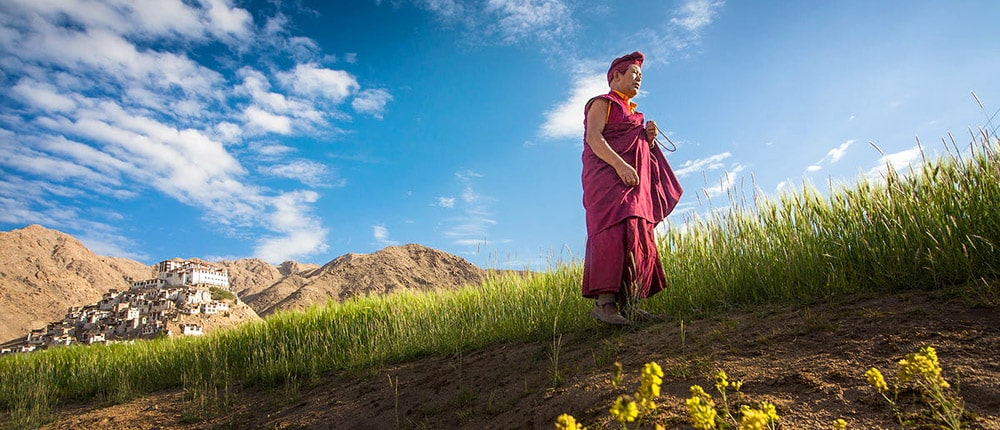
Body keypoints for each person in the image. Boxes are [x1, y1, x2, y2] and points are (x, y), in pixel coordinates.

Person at [581, 51, 683, 325]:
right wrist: (620, 167)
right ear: (615, 76)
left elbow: (636, 151)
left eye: (641, 77)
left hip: (633, 186)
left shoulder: (633, 113)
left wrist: (647, 140)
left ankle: (632, 305)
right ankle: (605, 305)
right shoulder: (602, 103)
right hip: (608, 182)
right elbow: (594, 138)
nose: (638, 80)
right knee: (612, 233)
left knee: (637, 232)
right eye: (634, 75)